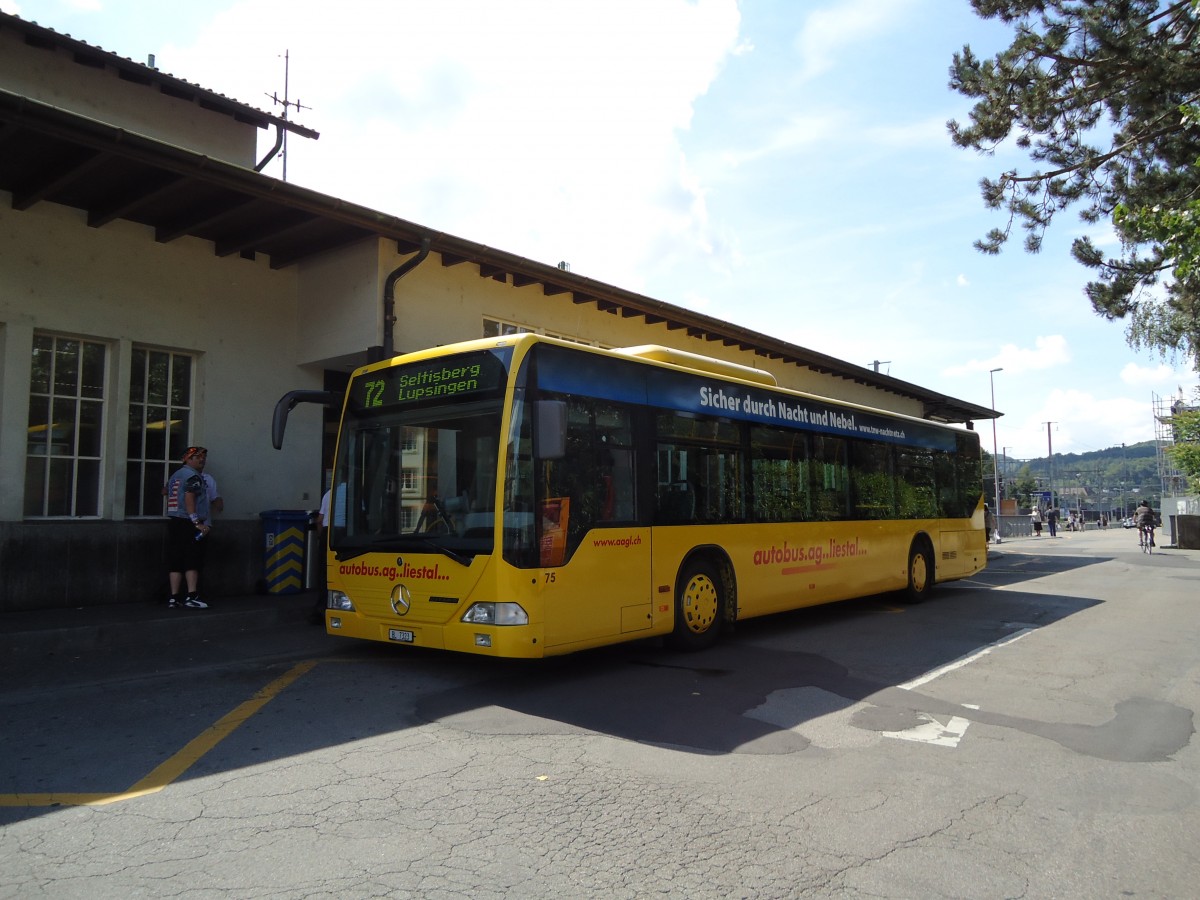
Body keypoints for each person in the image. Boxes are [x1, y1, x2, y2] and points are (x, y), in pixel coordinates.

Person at [164, 446, 212, 608]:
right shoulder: (193, 476)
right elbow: (189, 496)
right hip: (188, 522)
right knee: (193, 559)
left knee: (176, 560)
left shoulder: (175, 475)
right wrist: (196, 522)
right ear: (187, 459)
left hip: (174, 520)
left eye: (203, 457)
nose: (202, 460)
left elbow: (165, 491)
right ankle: (192, 596)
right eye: (197, 457)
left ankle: (174, 597)